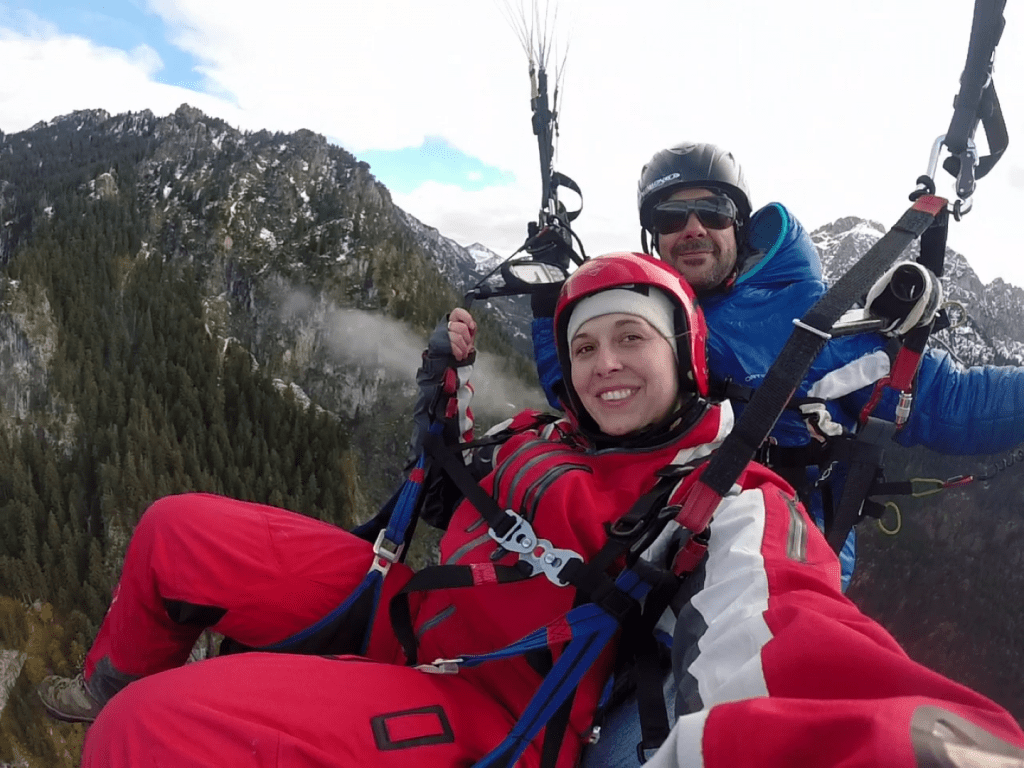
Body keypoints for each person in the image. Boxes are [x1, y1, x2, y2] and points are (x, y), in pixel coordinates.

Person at [34, 252, 752, 766]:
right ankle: (110, 682)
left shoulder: (728, 495)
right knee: (175, 532)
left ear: (683, 351)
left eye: (632, 338)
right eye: (586, 345)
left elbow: (797, 622)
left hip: (499, 710)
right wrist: (439, 387)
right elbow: (446, 491)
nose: (606, 364)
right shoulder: (547, 434)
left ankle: (123, 719)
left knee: (141, 735)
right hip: (413, 617)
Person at [530, 141, 1024, 590]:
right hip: (652, 555)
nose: (693, 228)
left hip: (781, 563)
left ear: (739, 225)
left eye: (713, 210)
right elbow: (588, 399)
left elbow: (951, 405)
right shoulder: (637, 316)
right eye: (671, 217)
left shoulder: (811, 318)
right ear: (652, 235)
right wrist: (546, 304)